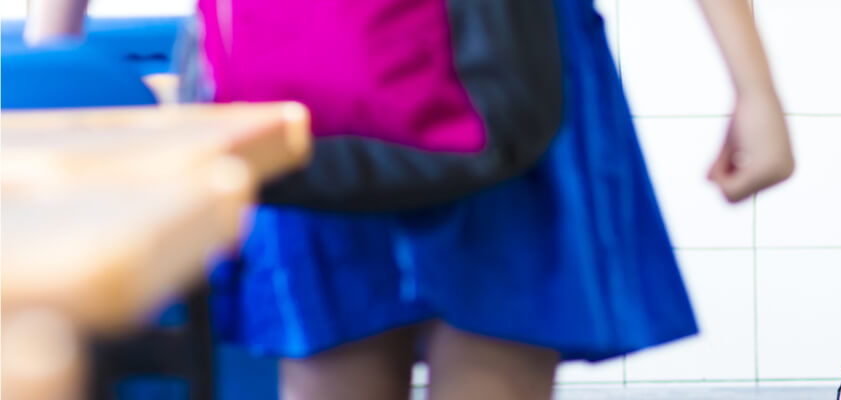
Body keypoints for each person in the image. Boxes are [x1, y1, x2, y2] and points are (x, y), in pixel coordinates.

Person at [25, 0, 793, 399]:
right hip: (494, 57)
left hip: (313, 64)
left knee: (336, 370)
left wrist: (51, 82)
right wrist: (751, 84)